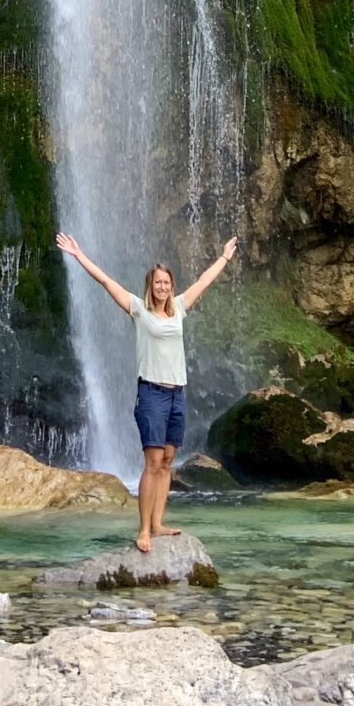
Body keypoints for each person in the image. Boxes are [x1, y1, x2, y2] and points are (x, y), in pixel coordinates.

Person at [55, 229, 239, 551]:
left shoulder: (179, 307)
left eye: (166, 283)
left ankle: (157, 523)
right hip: (152, 394)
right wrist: (79, 254)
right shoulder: (138, 310)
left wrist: (224, 256)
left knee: (168, 461)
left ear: (171, 286)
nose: (163, 287)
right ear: (150, 286)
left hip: (176, 394)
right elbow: (105, 281)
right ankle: (142, 530)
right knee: (152, 463)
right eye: (158, 283)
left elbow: (204, 282)